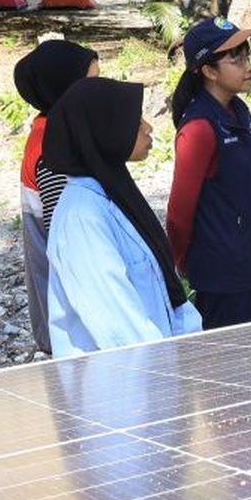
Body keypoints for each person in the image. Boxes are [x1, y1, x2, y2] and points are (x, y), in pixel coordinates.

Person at [43, 78, 202, 356]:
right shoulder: (82, 216)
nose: (148, 128)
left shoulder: (116, 194)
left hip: (157, 373)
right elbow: (118, 326)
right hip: (124, 383)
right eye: (135, 120)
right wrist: (171, 372)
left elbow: (167, 290)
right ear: (105, 128)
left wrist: (189, 349)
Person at [167, 17, 251, 329]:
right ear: (208, 71)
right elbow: (179, 214)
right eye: (236, 59)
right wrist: (180, 264)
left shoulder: (239, 111)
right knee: (233, 368)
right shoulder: (199, 128)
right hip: (226, 280)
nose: (248, 66)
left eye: (247, 56)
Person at [12, 39, 100, 354]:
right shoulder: (54, 150)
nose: (100, 93)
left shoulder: (52, 130)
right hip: (71, 316)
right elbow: (72, 239)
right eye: (91, 84)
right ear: (64, 90)